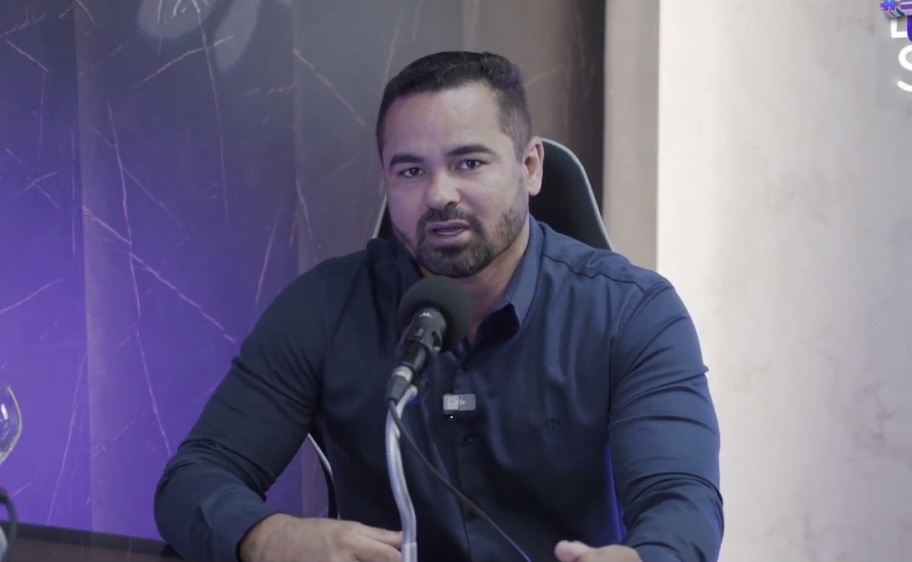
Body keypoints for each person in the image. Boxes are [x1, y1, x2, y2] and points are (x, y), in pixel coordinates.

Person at [154, 51, 724, 562]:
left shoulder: (633, 313)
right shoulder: (324, 307)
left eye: (469, 163)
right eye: (411, 171)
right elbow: (194, 479)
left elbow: (681, 501)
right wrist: (267, 538)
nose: (439, 194)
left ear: (529, 168)